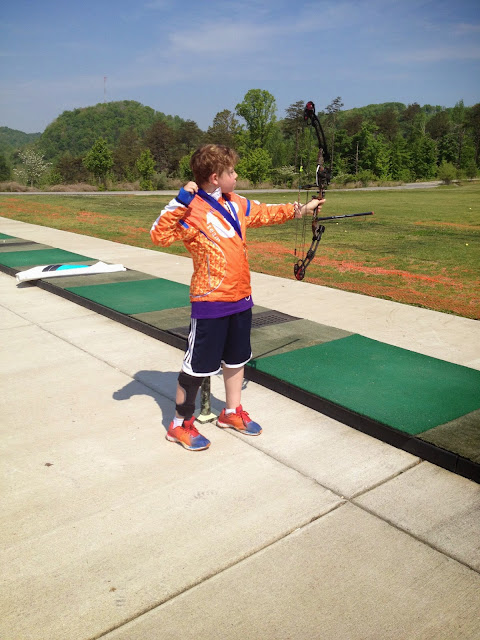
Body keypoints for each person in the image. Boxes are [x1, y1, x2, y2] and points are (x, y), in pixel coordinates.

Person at [150, 144, 324, 451]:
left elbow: (266, 212)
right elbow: (159, 235)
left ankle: (231, 412)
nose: (237, 175)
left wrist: (304, 208)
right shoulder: (191, 210)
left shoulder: (236, 202)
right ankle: (179, 425)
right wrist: (180, 201)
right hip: (210, 301)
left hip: (241, 296)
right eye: (231, 171)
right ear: (215, 177)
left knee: (236, 359)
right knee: (196, 367)